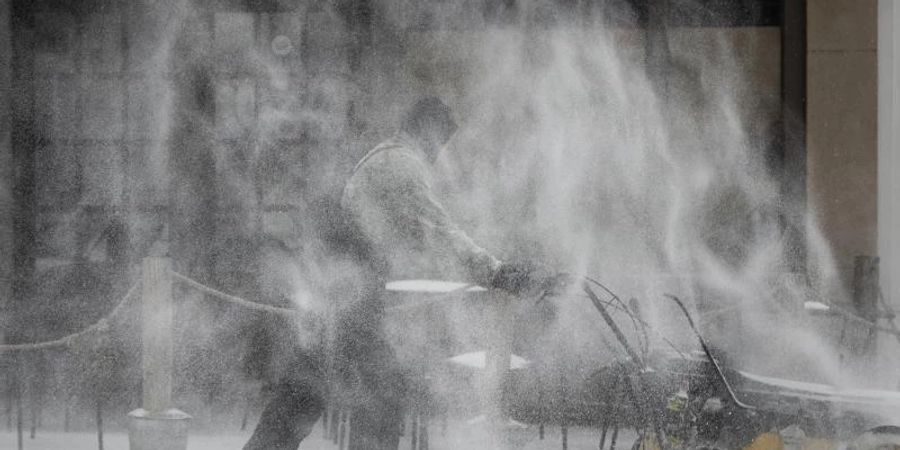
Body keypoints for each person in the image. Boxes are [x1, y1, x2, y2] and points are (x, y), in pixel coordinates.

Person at [339, 96, 559, 450]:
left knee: (322, 403)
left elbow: (421, 238)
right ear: (426, 130)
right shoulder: (401, 165)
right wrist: (498, 272)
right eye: (440, 141)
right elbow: (440, 234)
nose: (440, 152)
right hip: (354, 297)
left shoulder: (384, 156)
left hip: (343, 293)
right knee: (369, 406)